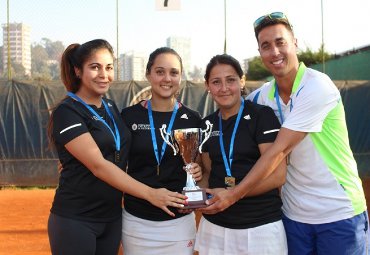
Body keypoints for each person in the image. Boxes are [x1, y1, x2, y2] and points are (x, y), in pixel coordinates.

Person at [202, 12, 369, 255]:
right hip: (293, 215)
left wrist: (233, 194)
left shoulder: (317, 86)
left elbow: (279, 150)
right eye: (266, 46)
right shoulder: (260, 97)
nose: (274, 52)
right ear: (260, 52)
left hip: (338, 212)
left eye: (280, 42)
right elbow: (232, 113)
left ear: (295, 43)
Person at [47, 39, 187, 255]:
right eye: (95, 67)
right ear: (77, 71)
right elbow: (99, 166)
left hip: (112, 218)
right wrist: (151, 194)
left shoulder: (110, 106)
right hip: (76, 218)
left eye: (109, 67)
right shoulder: (67, 111)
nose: (104, 74)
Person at [195, 54, 287, 254]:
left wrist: (232, 194)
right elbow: (209, 173)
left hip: (259, 226)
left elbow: (278, 176)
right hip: (216, 225)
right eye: (216, 82)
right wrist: (198, 192)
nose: (224, 88)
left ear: (242, 81)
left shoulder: (262, 116)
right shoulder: (207, 124)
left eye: (231, 80)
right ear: (207, 86)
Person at [120, 47, 203, 255]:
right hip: (136, 221)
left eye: (174, 72)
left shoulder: (193, 119)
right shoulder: (129, 116)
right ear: (148, 74)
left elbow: (201, 164)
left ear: (180, 77)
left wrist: (199, 172)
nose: (167, 78)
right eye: (160, 71)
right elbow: (114, 165)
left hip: (179, 222)